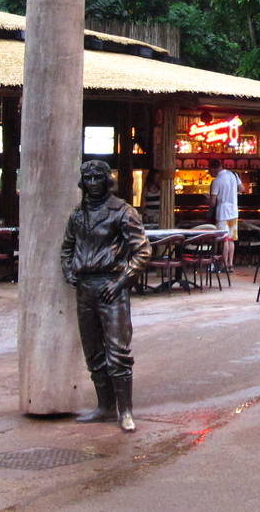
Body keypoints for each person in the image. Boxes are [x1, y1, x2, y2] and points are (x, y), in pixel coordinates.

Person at [61, 160, 151, 432]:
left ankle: (125, 411)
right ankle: (104, 406)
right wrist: (69, 271)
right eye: (87, 178)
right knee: (94, 351)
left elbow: (143, 251)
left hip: (111, 286)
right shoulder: (78, 215)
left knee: (118, 353)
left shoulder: (122, 212)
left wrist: (123, 280)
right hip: (85, 288)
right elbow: (67, 247)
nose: (91, 183)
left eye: (97, 178)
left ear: (106, 180)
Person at [207, 160, 240, 272]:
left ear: (214, 168)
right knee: (231, 239)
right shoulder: (233, 175)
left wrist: (207, 198)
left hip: (222, 212)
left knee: (224, 239)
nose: (209, 172)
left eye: (209, 170)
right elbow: (242, 189)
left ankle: (224, 264)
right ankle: (230, 264)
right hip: (234, 211)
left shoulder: (217, 181)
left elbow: (213, 202)